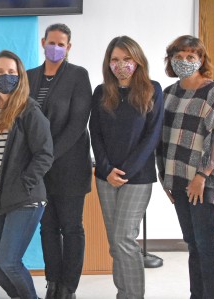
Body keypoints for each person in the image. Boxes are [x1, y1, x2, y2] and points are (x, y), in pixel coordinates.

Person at [157, 35, 214, 299]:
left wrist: (202, 175)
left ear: (201, 60)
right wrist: (165, 179)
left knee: (206, 246)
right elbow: (163, 138)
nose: (184, 61)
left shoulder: (212, 91)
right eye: (179, 56)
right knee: (193, 244)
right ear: (171, 60)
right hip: (178, 180)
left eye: (190, 57)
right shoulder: (168, 94)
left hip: (203, 181)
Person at [0, 50, 54, 299]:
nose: (6, 77)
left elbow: (45, 154)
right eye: (0, 72)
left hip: (25, 199)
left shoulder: (29, 112)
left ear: (20, 77)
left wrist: (24, 183)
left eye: (11, 72)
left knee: (9, 262)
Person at [89, 36, 163, 299]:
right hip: (106, 177)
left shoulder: (152, 89)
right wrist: (106, 169)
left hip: (138, 177)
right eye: (115, 60)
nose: (121, 65)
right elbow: (94, 133)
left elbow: (152, 136)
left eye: (127, 59)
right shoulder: (101, 92)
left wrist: (127, 171)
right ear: (108, 63)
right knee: (115, 244)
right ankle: (124, 293)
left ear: (138, 60)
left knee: (124, 240)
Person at [25, 23, 91, 299]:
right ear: (43, 42)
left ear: (69, 47)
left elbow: (78, 124)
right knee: (47, 226)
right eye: (51, 42)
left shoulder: (78, 75)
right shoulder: (29, 76)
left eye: (61, 44)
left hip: (70, 165)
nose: (55, 47)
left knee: (71, 227)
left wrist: (47, 157)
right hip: (39, 169)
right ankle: (52, 283)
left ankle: (68, 287)